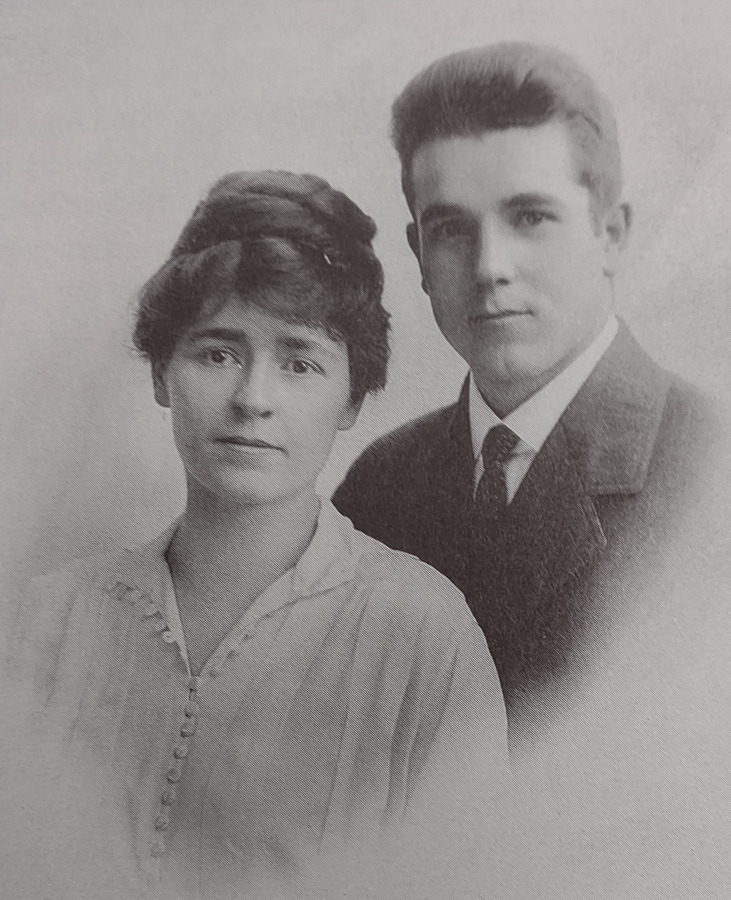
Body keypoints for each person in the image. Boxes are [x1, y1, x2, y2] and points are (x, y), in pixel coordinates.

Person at [7, 171, 508, 899]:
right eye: (217, 353)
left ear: (350, 400)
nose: (252, 399)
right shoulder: (45, 624)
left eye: (300, 363)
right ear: (161, 374)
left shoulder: (425, 639)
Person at [333, 43, 718, 748]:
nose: (489, 268)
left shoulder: (709, 471)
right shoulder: (376, 489)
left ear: (610, 234)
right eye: (452, 229)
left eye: (530, 217)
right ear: (419, 257)